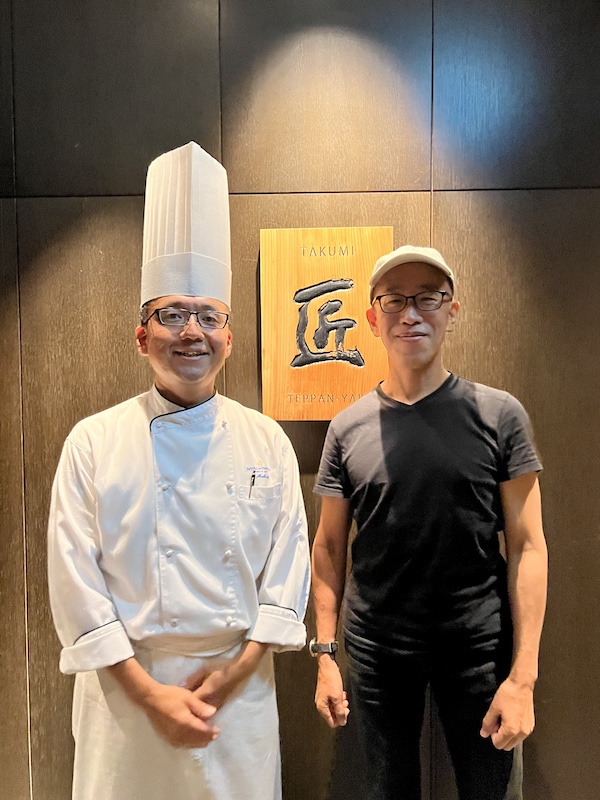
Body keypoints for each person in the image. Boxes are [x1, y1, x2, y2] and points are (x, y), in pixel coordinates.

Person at [48, 142, 310, 800]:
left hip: (238, 696)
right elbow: (76, 585)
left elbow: (287, 577)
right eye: (171, 314)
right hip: (124, 695)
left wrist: (230, 677)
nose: (192, 331)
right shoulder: (93, 441)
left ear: (229, 337)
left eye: (208, 316)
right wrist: (149, 694)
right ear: (142, 336)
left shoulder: (266, 441)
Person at [311, 245, 547, 800]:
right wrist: (324, 655)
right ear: (372, 318)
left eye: (428, 298)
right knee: (386, 790)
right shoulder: (346, 428)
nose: (410, 313)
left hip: (479, 646)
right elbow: (328, 548)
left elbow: (529, 546)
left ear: (452, 311)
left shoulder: (500, 415)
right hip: (376, 650)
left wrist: (523, 677)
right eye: (394, 300)